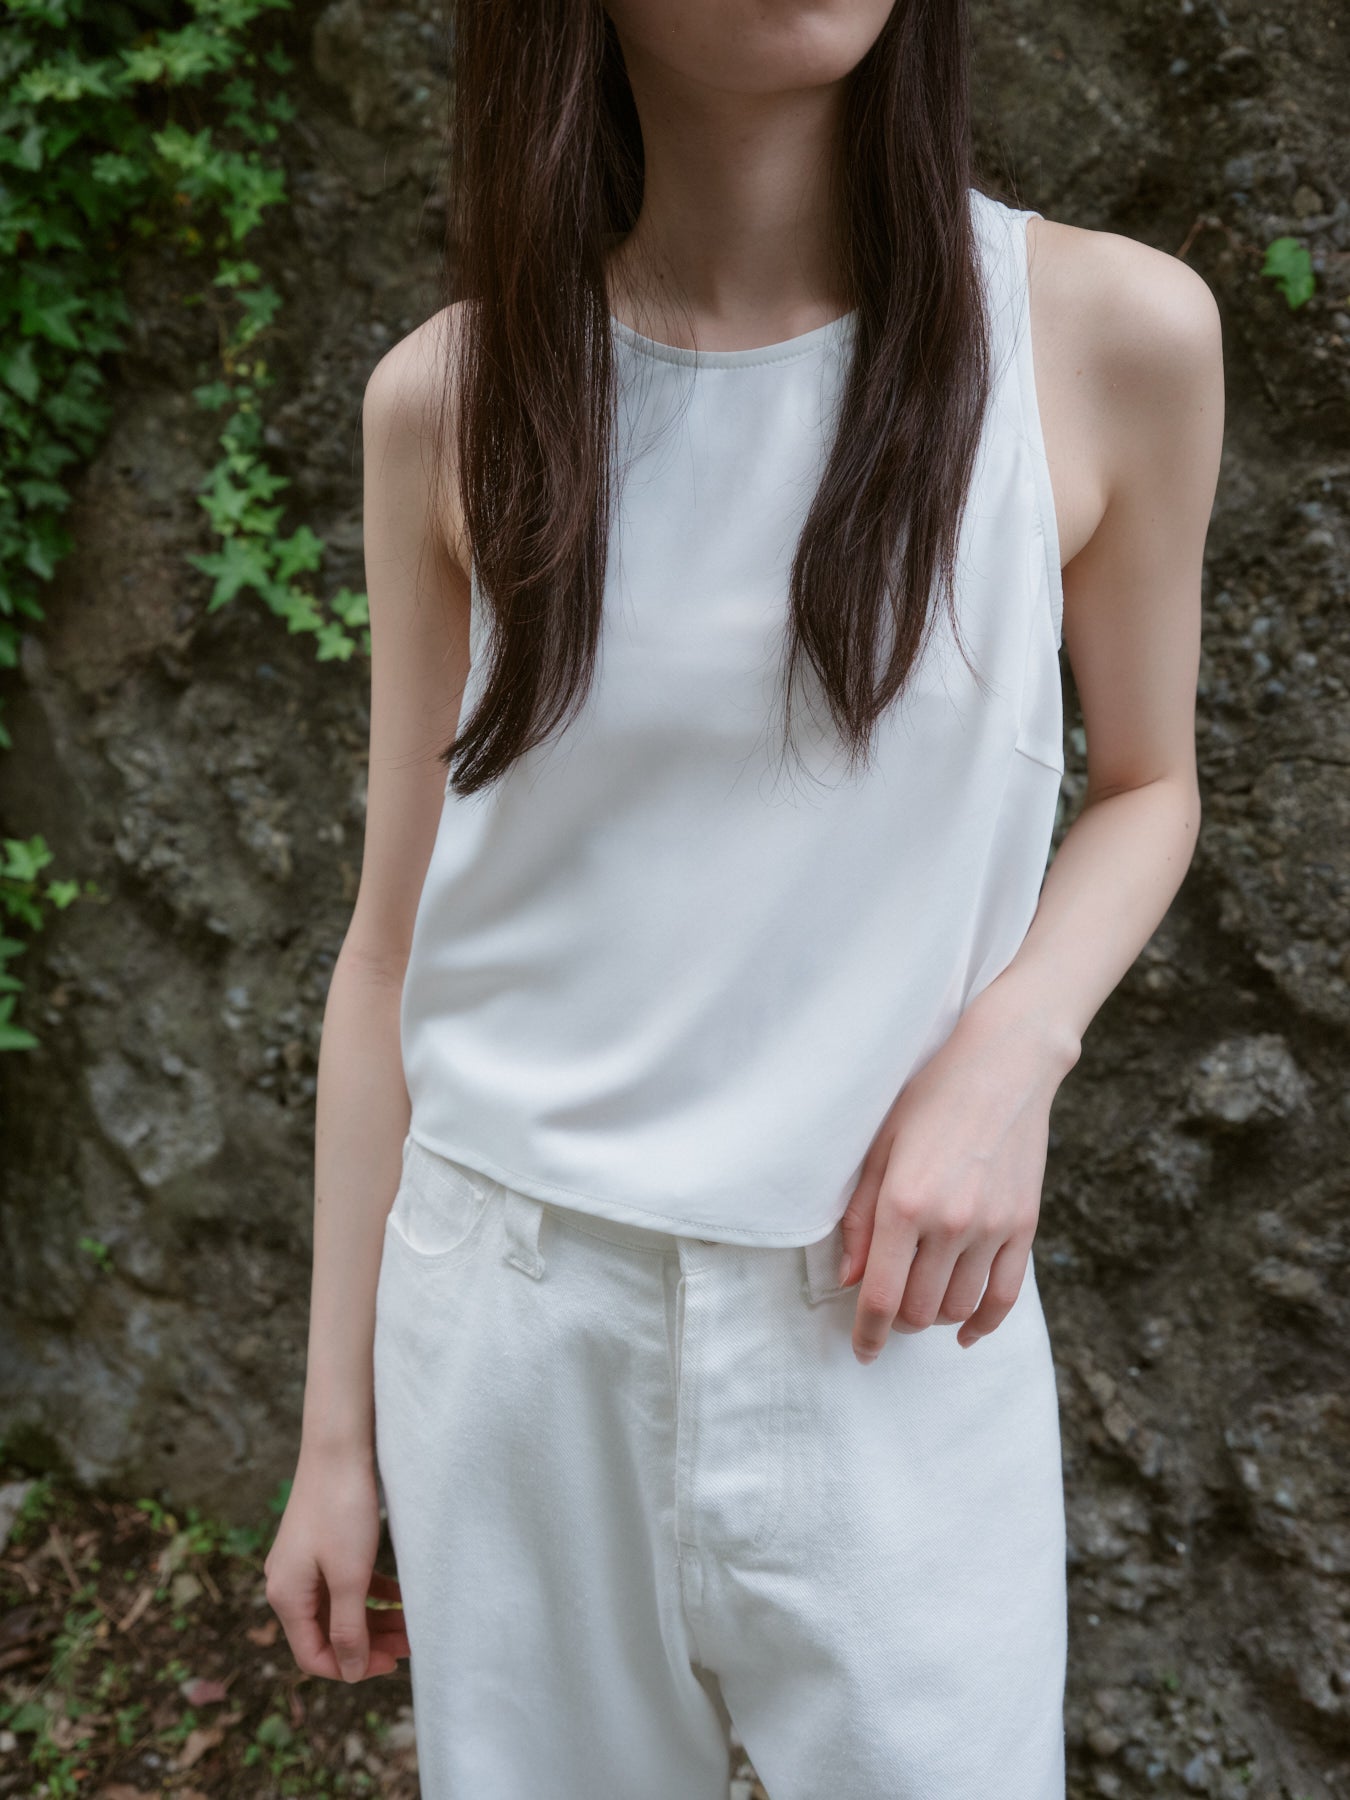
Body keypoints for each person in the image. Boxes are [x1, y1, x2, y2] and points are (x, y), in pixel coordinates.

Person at [264, 1, 1224, 1795]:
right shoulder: (452, 398)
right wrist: (339, 1439)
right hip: (510, 1325)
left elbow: (1148, 785)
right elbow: (391, 946)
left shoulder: (1105, 332)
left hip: (884, 1314)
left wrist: (1011, 1050)